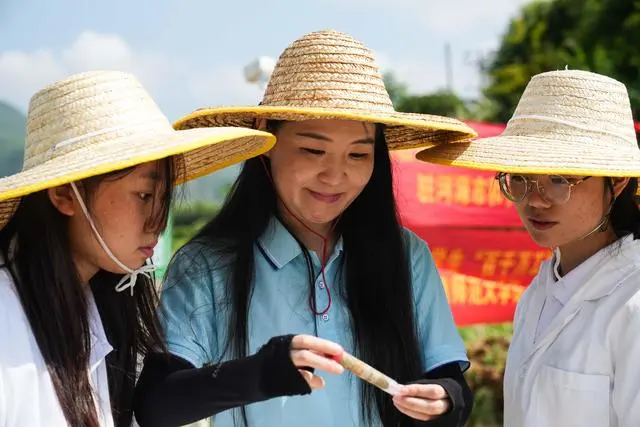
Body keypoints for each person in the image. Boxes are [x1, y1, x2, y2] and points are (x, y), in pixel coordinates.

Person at [134, 29, 477, 427]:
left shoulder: (406, 256)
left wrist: (444, 401)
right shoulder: (207, 265)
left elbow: (451, 383)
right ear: (266, 136)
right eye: (313, 150)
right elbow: (156, 405)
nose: (335, 175)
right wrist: (261, 373)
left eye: (358, 154)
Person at [0, 70, 276, 427]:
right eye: (144, 196)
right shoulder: (8, 315)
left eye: (163, 198)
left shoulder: (96, 308)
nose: (157, 222)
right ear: (66, 195)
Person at [417, 69, 640, 427]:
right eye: (519, 178)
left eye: (558, 179)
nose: (534, 200)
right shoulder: (539, 292)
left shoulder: (632, 304)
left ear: (615, 181)